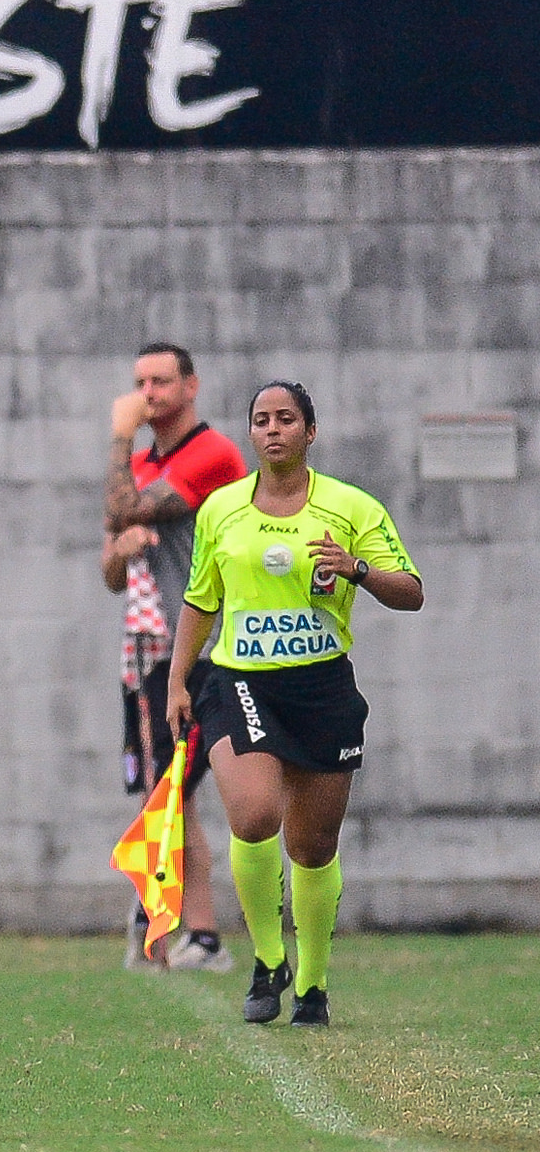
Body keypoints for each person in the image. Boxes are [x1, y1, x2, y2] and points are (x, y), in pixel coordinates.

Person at [167, 381, 422, 1027]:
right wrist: (177, 680)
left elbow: (411, 590)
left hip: (322, 686)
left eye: (286, 418)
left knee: (312, 846)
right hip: (241, 680)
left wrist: (358, 568)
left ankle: (311, 984)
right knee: (253, 816)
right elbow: (202, 598)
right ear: (250, 433)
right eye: (261, 419)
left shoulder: (351, 507)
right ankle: (267, 958)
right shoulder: (221, 508)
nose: (272, 429)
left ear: (311, 430)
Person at [102, 342, 247, 971]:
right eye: (139, 381)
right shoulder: (138, 462)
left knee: (174, 788)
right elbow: (112, 560)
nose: (147, 392)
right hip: (148, 653)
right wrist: (120, 548)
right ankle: (185, 931)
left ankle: (178, 925)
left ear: (191, 385)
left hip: (206, 647)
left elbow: (124, 507)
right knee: (163, 794)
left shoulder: (211, 453)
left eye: (160, 380)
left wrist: (115, 439)